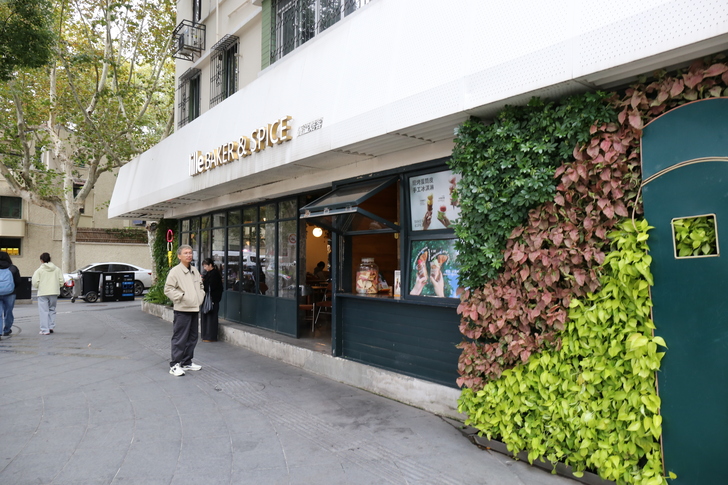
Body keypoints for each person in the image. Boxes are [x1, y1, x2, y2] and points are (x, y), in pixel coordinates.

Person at [164, 245, 205, 377]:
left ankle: (186, 362)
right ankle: (175, 365)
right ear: (179, 256)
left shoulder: (194, 270)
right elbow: (168, 289)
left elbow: (201, 286)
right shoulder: (175, 271)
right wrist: (182, 297)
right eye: (186, 253)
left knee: (193, 337)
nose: (189, 255)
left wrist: (200, 296)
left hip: (194, 308)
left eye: (190, 253)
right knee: (180, 337)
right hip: (182, 309)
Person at [31, 253, 64, 335]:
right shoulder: (57, 269)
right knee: (52, 309)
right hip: (54, 292)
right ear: (50, 259)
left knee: (43, 311)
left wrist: (39, 287)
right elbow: (61, 281)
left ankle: (45, 330)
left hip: (43, 292)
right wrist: (57, 286)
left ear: (41, 260)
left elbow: (35, 282)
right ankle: (51, 326)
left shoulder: (39, 270)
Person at [200, 258, 223, 342]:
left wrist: (203, 282)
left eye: (206, 266)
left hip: (212, 299)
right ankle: (206, 335)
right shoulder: (208, 274)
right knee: (206, 317)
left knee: (211, 318)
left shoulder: (214, 274)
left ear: (210, 265)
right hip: (208, 299)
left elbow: (211, 286)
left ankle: (210, 336)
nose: (205, 268)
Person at [0, 251, 21, 337]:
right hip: (10, 293)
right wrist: (12, 288)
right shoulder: (13, 268)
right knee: (8, 312)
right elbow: (18, 281)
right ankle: (7, 329)